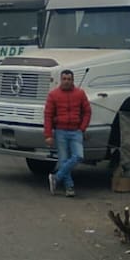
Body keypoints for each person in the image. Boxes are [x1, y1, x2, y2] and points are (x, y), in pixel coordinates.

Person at [43, 69, 91, 197]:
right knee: (64, 160)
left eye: (69, 79)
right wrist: (48, 135)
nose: (66, 81)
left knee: (79, 156)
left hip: (76, 131)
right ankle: (69, 187)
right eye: (64, 79)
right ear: (60, 80)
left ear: (73, 80)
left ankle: (56, 178)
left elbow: (87, 112)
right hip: (60, 131)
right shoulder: (53, 95)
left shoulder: (80, 94)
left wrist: (82, 128)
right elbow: (48, 115)